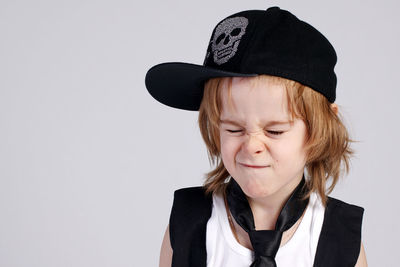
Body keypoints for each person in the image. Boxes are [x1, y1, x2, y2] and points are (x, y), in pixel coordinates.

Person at [145, 6, 367, 267]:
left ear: (320, 130)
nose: (251, 146)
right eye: (233, 129)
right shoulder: (186, 224)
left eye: (275, 131)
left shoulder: (341, 238)